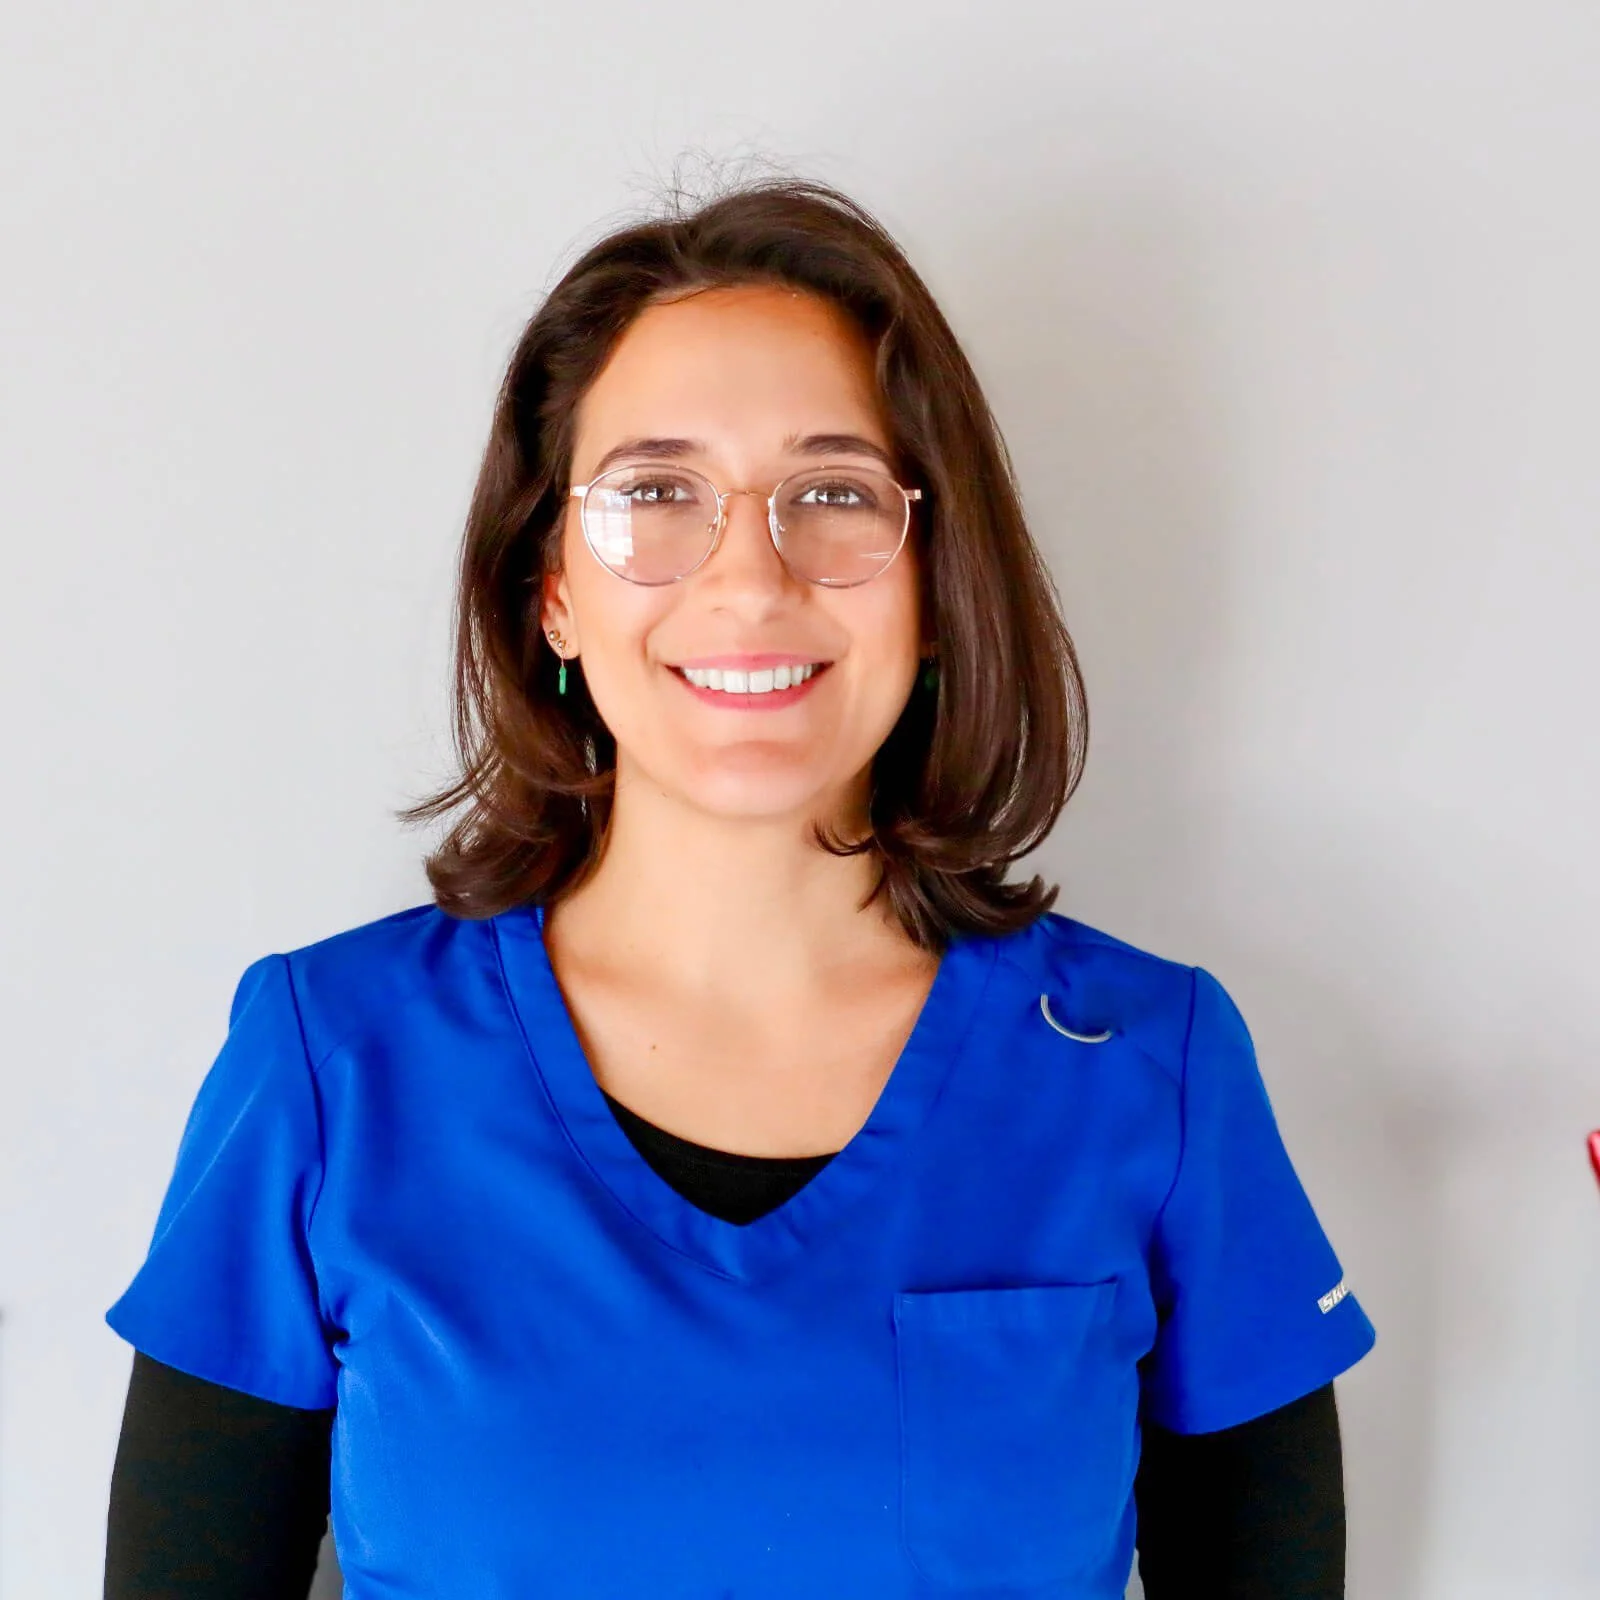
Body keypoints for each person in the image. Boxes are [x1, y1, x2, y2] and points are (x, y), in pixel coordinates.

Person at [102, 177, 1376, 1598]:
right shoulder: (331, 1064)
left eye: (834, 494)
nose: (752, 578)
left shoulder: (1149, 1068)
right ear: (551, 590)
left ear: (935, 582)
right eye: (656, 495)